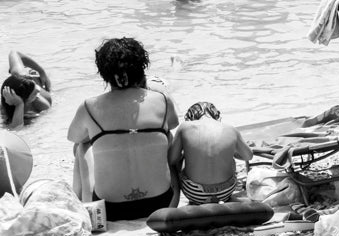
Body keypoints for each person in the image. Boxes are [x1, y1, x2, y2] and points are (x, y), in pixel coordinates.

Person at [67, 37, 179, 221]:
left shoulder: (89, 106)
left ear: (104, 73)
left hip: (111, 210)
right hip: (161, 203)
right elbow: (173, 123)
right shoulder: (162, 100)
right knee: (167, 134)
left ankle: (86, 208)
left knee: (82, 145)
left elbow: (73, 136)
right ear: (141, 68)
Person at [171, 101, 249, 204]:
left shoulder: (184, 127)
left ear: (191, 116)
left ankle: (173, 202)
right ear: (215, 114)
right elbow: (248, 155)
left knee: (174, 164)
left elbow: (171, 159)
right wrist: (231, 153)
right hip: (226, 192)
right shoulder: (231, 128)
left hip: (194, 193)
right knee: (231, 158)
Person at [1, 52, 51, 128]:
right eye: (34, 93)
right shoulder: (4, 110)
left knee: (20, 74)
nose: (38, 90)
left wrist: (41, 71)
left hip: (33, 81)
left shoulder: (21, 74)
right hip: (24, 91)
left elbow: (14, 53)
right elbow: (16, 129)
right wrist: (19, 104)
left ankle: (33, 77)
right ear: (25, 100)